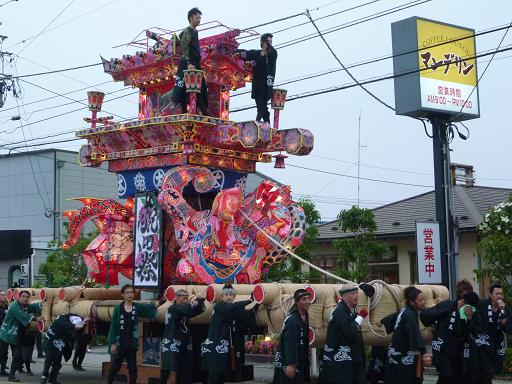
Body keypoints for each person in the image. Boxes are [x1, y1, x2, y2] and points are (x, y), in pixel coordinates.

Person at [419, 279, 474, 384]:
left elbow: (468, 333)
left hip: (457, 350)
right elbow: (426, 315)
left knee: (459, 376)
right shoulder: (447, 305)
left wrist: (469, 319)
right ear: (460, 296)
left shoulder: (469, 311)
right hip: (442, 348)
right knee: (446, 374)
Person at [201, 283, 258, 384]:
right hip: (215, 348)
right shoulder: (219, 307)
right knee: (215, 377)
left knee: (222, 377)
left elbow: (247, 314)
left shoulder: (234, 310)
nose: (229, 297)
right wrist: (250, 300)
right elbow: (231, 308)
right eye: (226, 295)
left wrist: (258, 302)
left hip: (226, 350)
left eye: (231, 295)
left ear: (234, 297)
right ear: (222, 297)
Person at [107, 284, 157, 384]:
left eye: (131, 292)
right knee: (115, 366)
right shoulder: (118, 308)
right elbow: (113, 326)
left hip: (131, 342)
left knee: (133, 368)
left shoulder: (136, 307)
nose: (130, 295)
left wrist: (158, 303)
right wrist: (112, 342)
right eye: (127, 292)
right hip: (119, 342)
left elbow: (147, 308)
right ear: (123, 295)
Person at [381, 286, 432, 384]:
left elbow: (388, 320)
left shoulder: (404, 311)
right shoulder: (409, 315)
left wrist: (381, 322)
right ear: (412, 302)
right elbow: (414, 334)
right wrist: (424, 352)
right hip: (402, 359)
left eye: (424, 299)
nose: (424, 302)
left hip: (394, 357)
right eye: (420, 300)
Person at [319, 283, 369, 384]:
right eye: (353, 293)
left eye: (356, 293)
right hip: (341, 363)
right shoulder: (340, 312)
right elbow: (350, 331)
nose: (356, 295)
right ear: (344, 296)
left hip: (352, 361)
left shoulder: (350, 310)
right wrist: (360, 317)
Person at [465, 283, 511, 384]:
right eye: (497, 293)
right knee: (482, 372)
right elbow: (471, 319)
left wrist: (502, 310)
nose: (500, 296)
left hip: (496, 344)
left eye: (501, 294)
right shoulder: (481, 304)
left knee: (490, 372)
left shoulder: (505, 308)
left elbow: (507, 328)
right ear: (490, 295)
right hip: (481, 343)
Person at [159, 289, 205, 384]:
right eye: (184, 298)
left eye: (187, 299)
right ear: (176, 297)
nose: (185, 301)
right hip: (172, 340)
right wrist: (198, 300)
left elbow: (196, 310)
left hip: (184, 340)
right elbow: (188, 307)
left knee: (186, 367)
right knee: (168, 368)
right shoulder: (173, 308)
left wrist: (201, 301)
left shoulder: (184, 308)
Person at [169, 7, 208, 115]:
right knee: (185, 87)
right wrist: (189, 63)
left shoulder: (195, 31)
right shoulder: (188, 31)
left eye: (200, 17)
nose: (199, 19)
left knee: (200, 87)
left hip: (195, 63)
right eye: (197, 17)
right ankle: (185, 110)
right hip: (188, 63)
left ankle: (203, 111)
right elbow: (185, 48)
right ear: (191, 18)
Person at [0, 290, 43, 382]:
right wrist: (36, 319)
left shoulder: (26, 306)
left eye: (27, 297)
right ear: (19, 297)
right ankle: (2, 370)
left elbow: (34, 306)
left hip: (17, 335)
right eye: (23, 296)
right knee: (2, 354)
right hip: (6, 333)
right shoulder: (14, 306)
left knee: (17, 355)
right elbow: (22, 315)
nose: (25, 298)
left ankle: (11, 375)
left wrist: (43, 302)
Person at [236, 33, 277, 123]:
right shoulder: (257, 54)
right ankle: (268, 125)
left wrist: (268, 45)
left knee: (261, 106)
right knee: (262, 107)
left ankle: (257, 122)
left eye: (271, 41)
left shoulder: (272, 55)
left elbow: (273, 52)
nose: (270, 43)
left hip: (266, 85)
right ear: (262, 42)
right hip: (257, 84)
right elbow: (247, 53)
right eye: (268, 41)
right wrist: (235, 51)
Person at [273, 288, 311, 384]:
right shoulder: (293, 321)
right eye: (304, 299)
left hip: (301, 358)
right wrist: (290, 364)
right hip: (289, 360)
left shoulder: (305, 315)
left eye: (308, 298)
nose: (307, 301)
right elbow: (289, 343)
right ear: (297, 302)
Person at [40, 313, 88, 384]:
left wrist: (84, 319)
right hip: (49, 342)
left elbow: (76, 321)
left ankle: (53, 379)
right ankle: (44, 378)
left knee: (57, 361)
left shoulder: (70, 316)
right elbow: (74, 326)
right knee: (49, 359)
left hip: (59, 343)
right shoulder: (62, 321)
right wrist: (81, 325)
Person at [0, 290, 9, 376]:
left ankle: (2, 370)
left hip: (6, 332)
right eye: (3, 295)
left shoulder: (7, 306)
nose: (5, 296)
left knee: (4, 352)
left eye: (5, 295)